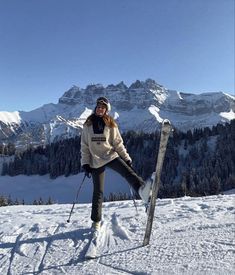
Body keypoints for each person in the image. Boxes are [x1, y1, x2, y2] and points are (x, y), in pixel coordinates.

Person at [81, 97, 151, 231]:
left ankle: (143, 191)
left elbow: (118, 143)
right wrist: (85, 163)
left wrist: (126, 158)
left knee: (128, 172)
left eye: (103, 107)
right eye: (98, 106)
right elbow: (84, 146)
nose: (100, 109)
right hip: (95, 160)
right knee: (98, 191)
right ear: (95, 108)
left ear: (106, 110)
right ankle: (96, 221)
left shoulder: (111, 124)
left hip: (110, 155)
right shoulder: (87, 125)